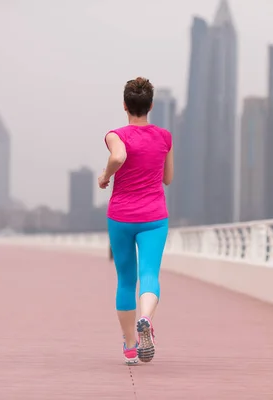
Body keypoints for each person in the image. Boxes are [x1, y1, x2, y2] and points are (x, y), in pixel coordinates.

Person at [98, 77, 174, 365]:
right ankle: (146, 318)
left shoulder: (116, 135)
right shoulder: (164, 137)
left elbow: (118, 157)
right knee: (150, 274)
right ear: (150, 105)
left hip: (121, 217)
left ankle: (130, 346)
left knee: (126, 280)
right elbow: (167, 178)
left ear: (125, 106)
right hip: (154, 217)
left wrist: (105, 177)